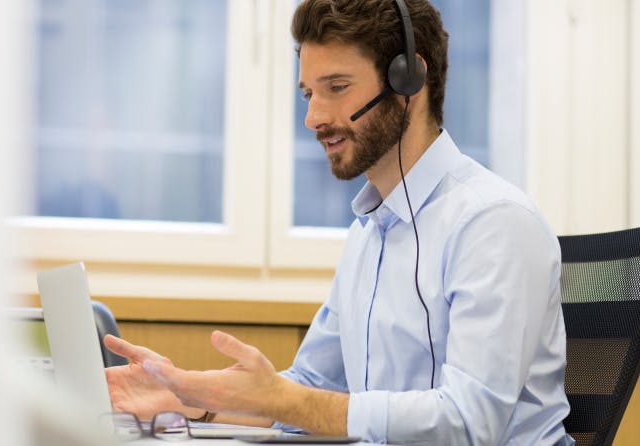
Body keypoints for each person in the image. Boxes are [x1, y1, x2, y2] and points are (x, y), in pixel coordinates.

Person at [104, 0, 574, 444]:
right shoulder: (369, 232)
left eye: (337, 87)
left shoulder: (493, 224)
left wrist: (288, 399)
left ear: (408, 80)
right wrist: (188, 400)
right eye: (309, 93)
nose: (312, 117)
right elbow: (308, 389)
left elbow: (470, 424)